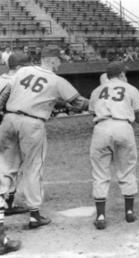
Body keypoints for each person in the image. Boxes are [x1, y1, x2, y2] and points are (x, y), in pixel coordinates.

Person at [0, 45, 89, 251]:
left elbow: (4, 94)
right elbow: (78, 103)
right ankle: (34, 215)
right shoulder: (57, 80)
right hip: (32, 124)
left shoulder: (22, 71)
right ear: (51, 59)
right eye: (59, 60)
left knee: (4, 171)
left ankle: (2, 228)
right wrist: (100, 102)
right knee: (33, 167)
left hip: (9, 120)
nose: (60, 64)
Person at [89, 61, 139, 230]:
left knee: (100, 173)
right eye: (124, 73)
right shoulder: (131, 88)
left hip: (101, 128)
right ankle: (129, 213)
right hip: (123, 126)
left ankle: (100, 215)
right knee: (127, 169)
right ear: (121, 74)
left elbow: (91, 114)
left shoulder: (97, 90)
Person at [0, 54, 30, 217]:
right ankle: (7, 205)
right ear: (19, 68)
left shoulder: (2, 79)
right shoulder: (13, 82)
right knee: (10, 167)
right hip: (6, 128)